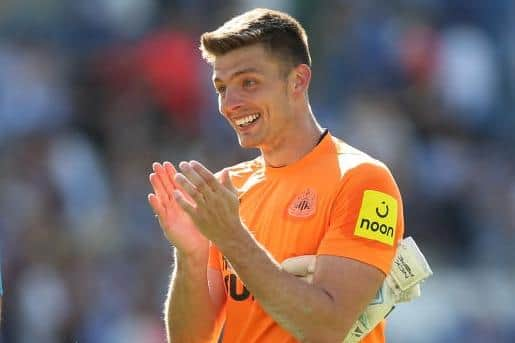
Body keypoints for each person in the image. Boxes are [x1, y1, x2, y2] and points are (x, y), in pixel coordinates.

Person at [148, 8, 404, 343]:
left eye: (249, 83)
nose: (230, 104)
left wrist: (230, 237)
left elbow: (326, 329)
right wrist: (192, 255)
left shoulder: (363, 181)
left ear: (298, 80)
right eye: (222, 88)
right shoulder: (229, 189)